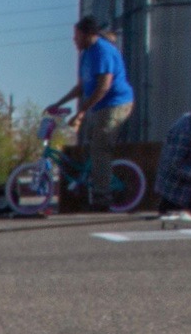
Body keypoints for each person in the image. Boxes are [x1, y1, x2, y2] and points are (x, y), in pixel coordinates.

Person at [50, 16, 133, 207]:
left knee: (100, 149)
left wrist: (81, 111)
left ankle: (102, 197)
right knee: (89, 145)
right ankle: (90, 184)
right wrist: (59, 103)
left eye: (77, 36)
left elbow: (103, 87)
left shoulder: (102, 51)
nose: (74, 40)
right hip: (99, 106)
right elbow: (81, 87)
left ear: (88, 35)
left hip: (115, 103)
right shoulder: (86, 54)